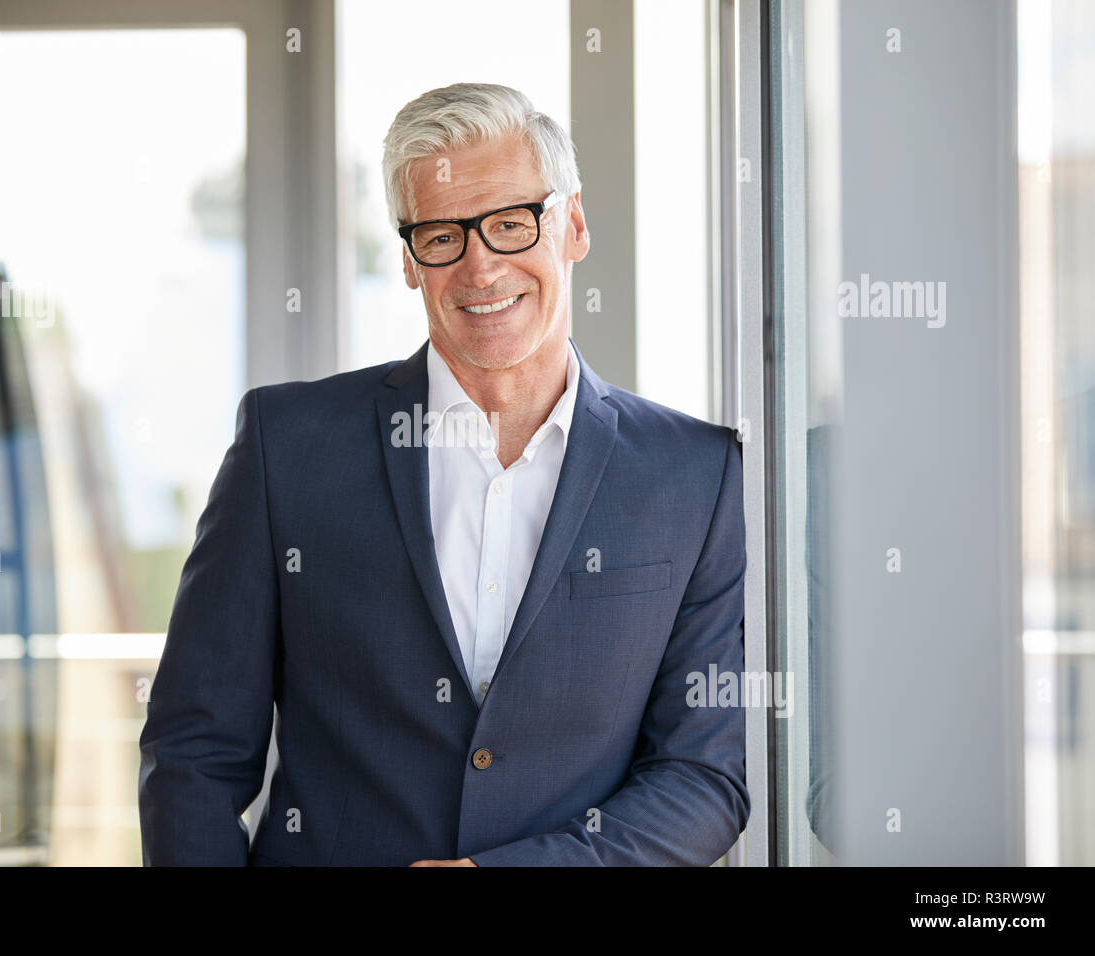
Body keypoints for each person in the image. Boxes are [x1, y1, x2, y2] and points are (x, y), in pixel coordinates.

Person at [139, 82, 749, 866]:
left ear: (574, 225)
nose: (480, 267)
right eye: (441, 236)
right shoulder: (286, 447)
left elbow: (703, 774)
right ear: (407, 260)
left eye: (509, 223)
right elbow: (195, 748)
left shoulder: (694, 475)